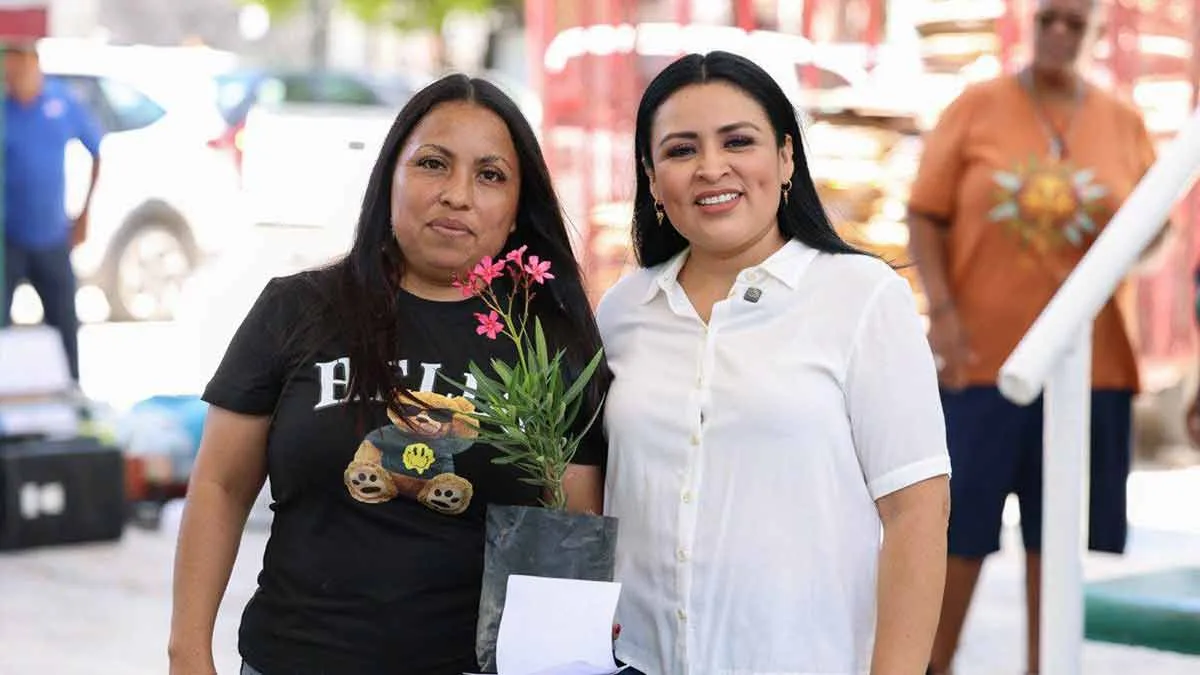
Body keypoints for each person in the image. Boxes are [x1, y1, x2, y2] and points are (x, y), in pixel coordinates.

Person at [167, 74, 609, 675]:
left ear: (516, 209)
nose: (458, 194)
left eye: (490, 175)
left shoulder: (553, 347)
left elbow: (570, 533)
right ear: (389, 177)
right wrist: (188, 653)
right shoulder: (296, 309)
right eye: (433, 164)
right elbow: (219, 485)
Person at [597, 51, 952, 675]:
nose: (711, 167)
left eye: (738, 141)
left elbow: (916, 511)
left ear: (786, 158)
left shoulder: (862, 297)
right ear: (652, 179)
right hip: (637, 662)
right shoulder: (624, 309)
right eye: (681, 151)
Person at [905, 1, 1167, 673]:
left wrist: (1131, 242)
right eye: (1048, 18)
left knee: (1060, 551)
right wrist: (944, 316)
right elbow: (925, 213)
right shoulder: (977, 106)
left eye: (1074, 25)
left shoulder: (1123, 123)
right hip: (982, 365)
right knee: (956, 539)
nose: (1058, 34)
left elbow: (1156, 219)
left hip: (1091, 374)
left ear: (1095, 34)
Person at [2, 39, 103, 382]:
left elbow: (96, 150)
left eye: (19, 69)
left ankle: (72, 395)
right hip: (8, 237)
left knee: (64, 324)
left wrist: (84, 213)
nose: (13, 78)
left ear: (34, 65)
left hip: (51, 234)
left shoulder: (61, 102)